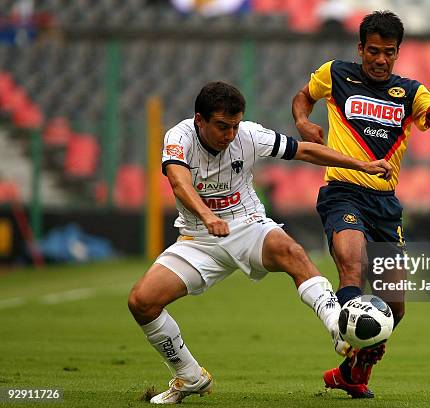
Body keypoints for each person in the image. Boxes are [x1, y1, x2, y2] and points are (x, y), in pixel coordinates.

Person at [127, 81, 392, 404]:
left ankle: (338, 328)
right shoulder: (178, 138)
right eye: (222, 127)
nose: (229, 135)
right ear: (200, 120)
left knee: (292, 251)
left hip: (247, 225)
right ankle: (189, 375)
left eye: (234, 126)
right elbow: (179, 183)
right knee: (141, 302)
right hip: (197, 238)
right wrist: (208, 217)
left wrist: (361, 164)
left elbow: (303, 150)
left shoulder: (248, 135)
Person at [292, 10, 430, 398]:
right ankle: (345, 337)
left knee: (396, 308)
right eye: (373, 51)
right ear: (360, 48)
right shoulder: (336, 73)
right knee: (352, 268)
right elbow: (302, 98)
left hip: (386, 206)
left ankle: (352, 372)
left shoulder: (410, 92)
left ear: (398, 53)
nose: (380, 59)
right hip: (342, 192)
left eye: (388, 52)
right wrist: (304, 122)